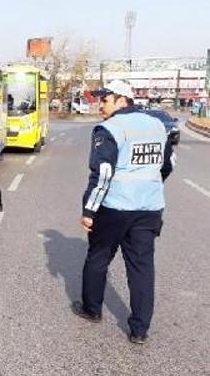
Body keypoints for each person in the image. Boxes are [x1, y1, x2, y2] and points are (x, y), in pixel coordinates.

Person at [71, 80, 174, 344]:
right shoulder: (157, 125)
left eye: (104, 100)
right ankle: (139, 330)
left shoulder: (110, 129)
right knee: (142, 267)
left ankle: (92, 309)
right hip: (149, 207)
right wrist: (149, 185)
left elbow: (103, 174)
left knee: (98, 257)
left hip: (114, 207)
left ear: (121, 100)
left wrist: (89, 210)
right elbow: (167, 164)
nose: (100, 106)